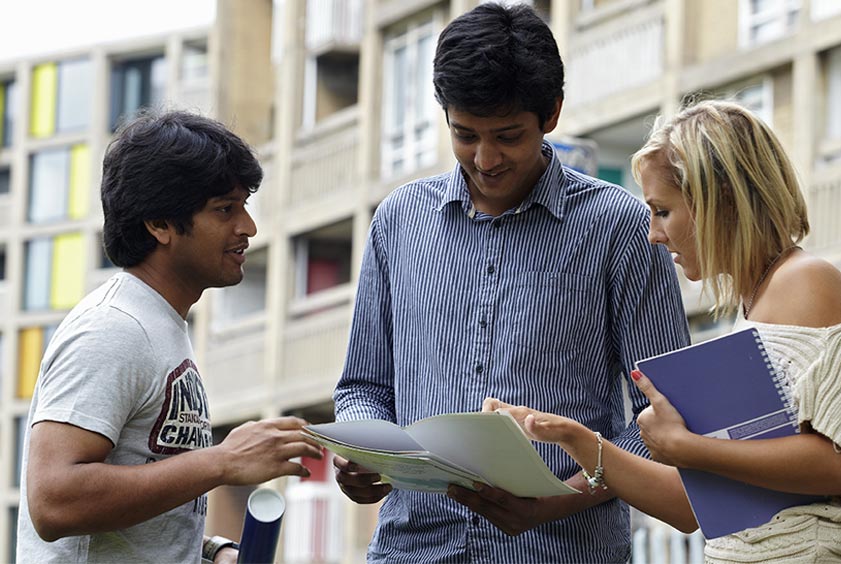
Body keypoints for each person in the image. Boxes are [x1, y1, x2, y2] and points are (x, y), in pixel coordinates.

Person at [330, 3, 690, 562]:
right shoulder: (397, 221)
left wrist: (562, 499)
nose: (486, 158)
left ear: (551, 113)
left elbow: (664, 415)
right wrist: (364, 452)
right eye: (465, 135)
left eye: (507, 135)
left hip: (564, 550)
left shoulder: (619, 226)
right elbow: (363, 388)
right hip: (411, 547)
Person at [489, 99, 841, 563]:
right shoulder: (752, 306)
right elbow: (690, 508)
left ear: (718, 201)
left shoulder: (806, 282)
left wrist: (688, 447)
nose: (653, 234)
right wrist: (573, 438)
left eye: (662, 211)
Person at [16, 110, 323, 564]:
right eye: (225, 209)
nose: (248, 228)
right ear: (159, 224)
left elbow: (135, 510)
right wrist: (223, 461)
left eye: (244, 206)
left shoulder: (159, 325)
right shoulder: (113, 328)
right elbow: (54, 500)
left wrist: (211, 552)